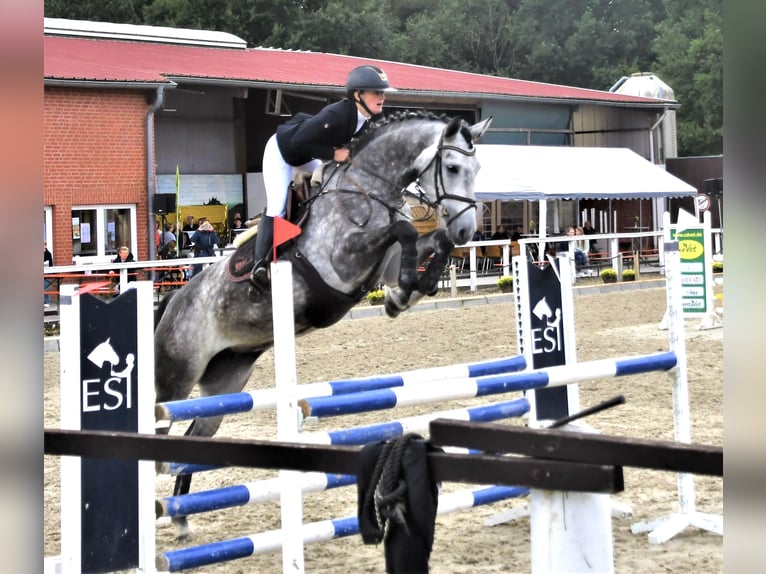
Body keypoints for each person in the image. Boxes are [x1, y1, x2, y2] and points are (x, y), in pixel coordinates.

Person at [250, 64, 395, 294]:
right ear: (358, 95)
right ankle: (259, 265)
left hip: (307, 154)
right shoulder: (337, 113)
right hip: (282, 151)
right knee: (277, 206)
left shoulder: (366, 119)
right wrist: (333, 153)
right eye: (376, 92)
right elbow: (298, 142)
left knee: (330, 186)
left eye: (383, 92)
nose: (382, 96)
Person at [44, 242, 53, 308]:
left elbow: (51, 265)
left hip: (46, 272)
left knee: (46, 285)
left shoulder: (48, 254)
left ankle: (47, 301)